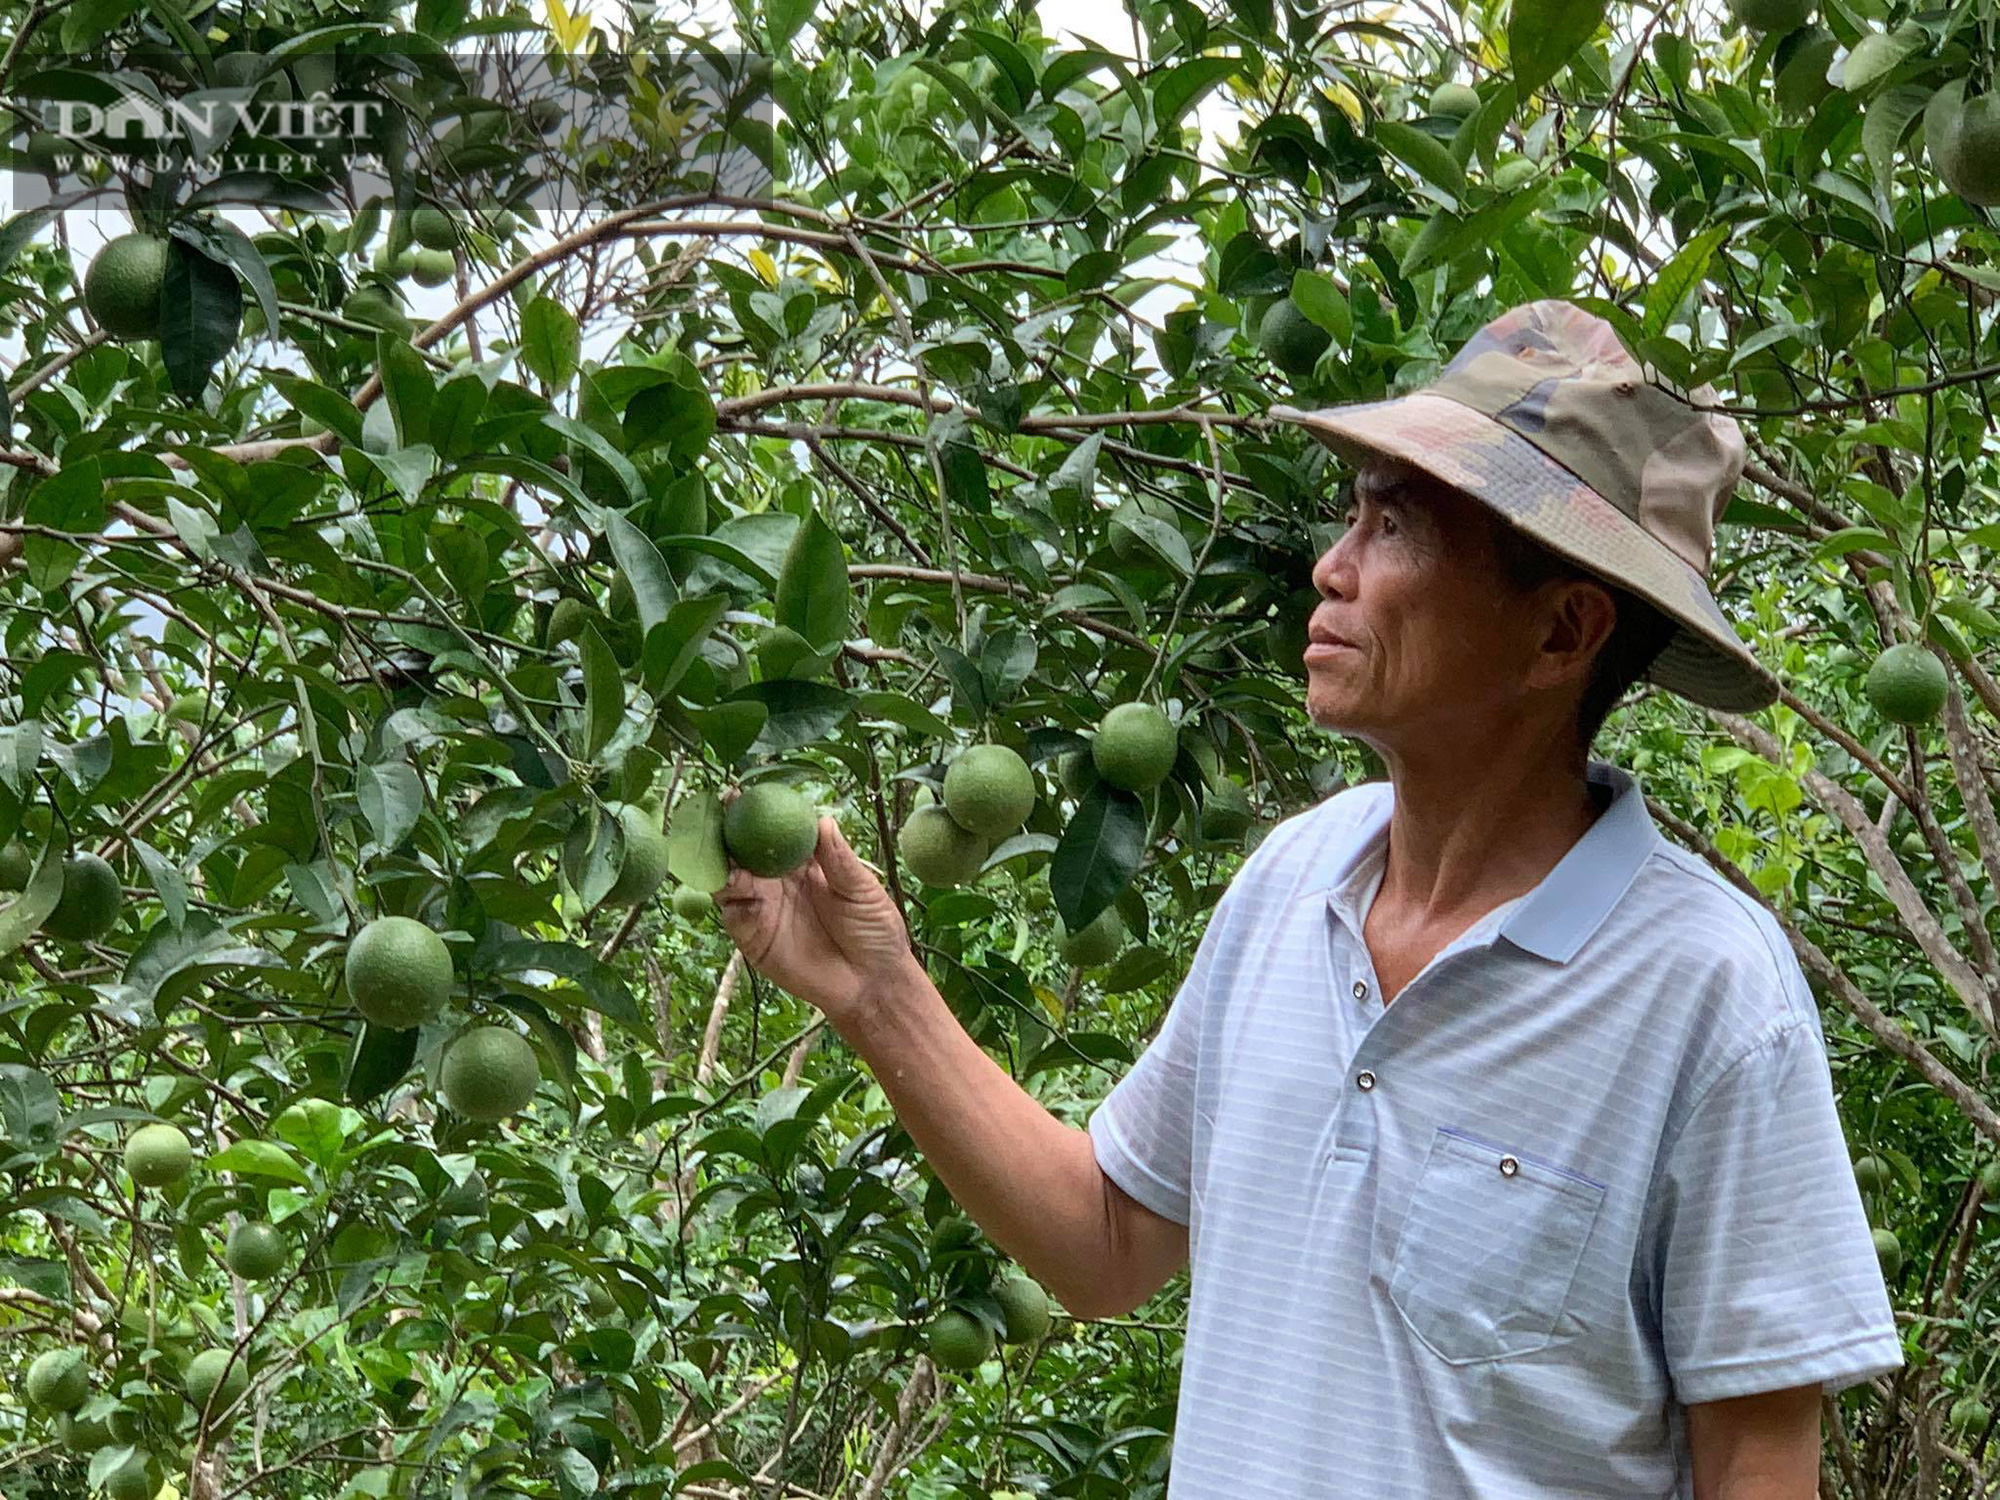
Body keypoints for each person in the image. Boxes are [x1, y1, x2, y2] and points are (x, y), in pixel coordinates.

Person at [716, 300, 1902, 1499]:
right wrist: (875, 988)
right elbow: (1106, 1248)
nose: (1330, 567)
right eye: (1353, 515)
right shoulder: (1294, 877)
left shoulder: (1704, 987)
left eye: (1394, 527)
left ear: (1559, 629)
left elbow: (1756, 1458)